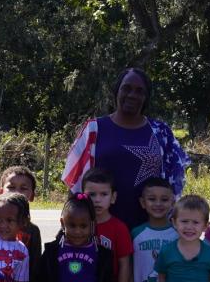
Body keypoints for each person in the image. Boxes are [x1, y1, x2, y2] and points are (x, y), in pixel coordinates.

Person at [62, 68, 191, 229]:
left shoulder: (161, 132)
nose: (132, 95)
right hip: (99, 229)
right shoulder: (94, 129)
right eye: (126, 88)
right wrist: (69, 225)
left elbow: (175, 184)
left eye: (139, 91)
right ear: (116, 91)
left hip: (149, 231)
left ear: (146, 97)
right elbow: (75, 184)